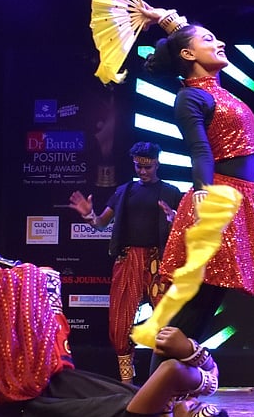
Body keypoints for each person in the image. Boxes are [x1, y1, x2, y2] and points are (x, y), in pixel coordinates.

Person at [140, 9, 254, 349]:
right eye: (208, 39)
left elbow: (182, 39)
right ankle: (160, 395)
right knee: (195, 304)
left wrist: (165, 19)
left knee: (207, 301)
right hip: (216, 198)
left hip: (238, 197)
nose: (220, 42)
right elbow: (201, 151)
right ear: (188, 54)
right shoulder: (190, 97)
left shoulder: (213, 90)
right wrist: (203, 194)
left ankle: (173, 394)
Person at [22, 325, 231, 417]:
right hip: (44, 371)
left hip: (28, 381)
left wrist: (191, 355)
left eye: (193, 407)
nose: (191, 399)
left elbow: (173, 370)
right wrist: (202, 362)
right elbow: (209, 371)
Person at [69, 141, 183, 383]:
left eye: (147, 167)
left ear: (157, 163)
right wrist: (89, 214)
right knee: (120, 324)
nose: (142, 171)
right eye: (138, 166)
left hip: (157, 261)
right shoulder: (124, 191)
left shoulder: (171, 191)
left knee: (165, 322)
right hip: (128, 259)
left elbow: (184, 230)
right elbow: (101, 223)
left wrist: (174, 219)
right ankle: (126, 383)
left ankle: (161, 380)